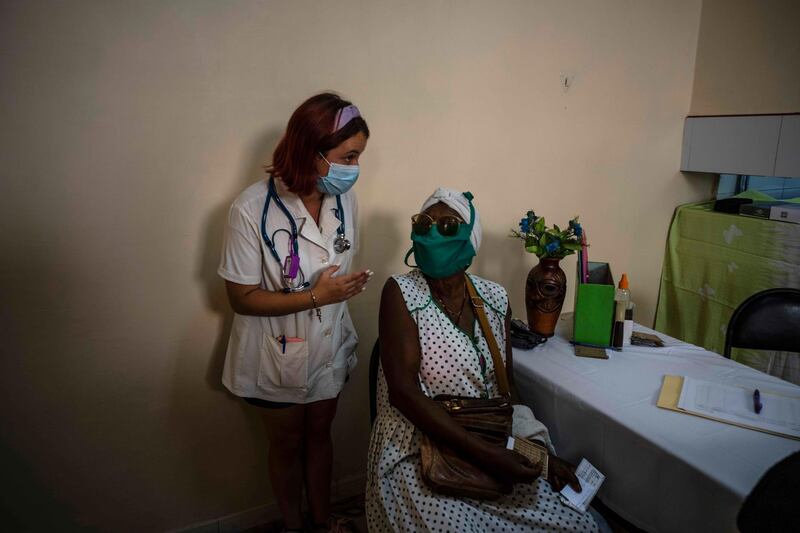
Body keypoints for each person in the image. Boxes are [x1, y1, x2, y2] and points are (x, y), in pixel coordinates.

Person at [366, 188, 600, 532]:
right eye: (424, 223)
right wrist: (484, 454)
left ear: (470, 238)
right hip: (415, 444)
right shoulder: (400, 292)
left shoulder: (493, 297)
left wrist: (538, 455)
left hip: (485, 435)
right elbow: (402, 393)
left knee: (577, 525)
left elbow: (505, 390)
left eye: (447, 226)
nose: (432, 233)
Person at [218, 93, 371, 532]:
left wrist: (336, 293)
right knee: (286, 444)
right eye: (348, 156)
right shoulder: (251, 209)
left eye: (358, 156)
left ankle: (323, 522)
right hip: (275, 351)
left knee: (321, 436)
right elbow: (241, 297)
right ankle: (294, 526)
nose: (354, 168)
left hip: (328, 344)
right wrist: (316, 297)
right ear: (312, 150)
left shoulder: (345, 203)